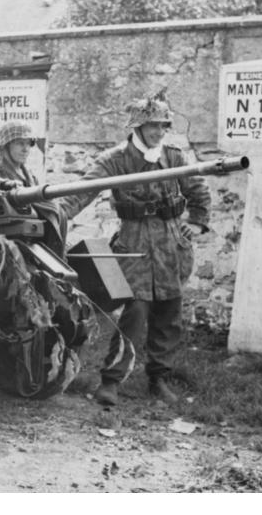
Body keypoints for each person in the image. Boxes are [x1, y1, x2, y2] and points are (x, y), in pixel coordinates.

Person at [58, 90, 211, 406]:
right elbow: (80, 193)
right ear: (137, 127)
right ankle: (111, 381)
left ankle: (158, 379)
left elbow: (198, 190)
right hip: (134, 247)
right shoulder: (115, 159)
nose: (158, 132)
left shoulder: (174, 157)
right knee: (135, 313)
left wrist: (195, 222)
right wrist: (54, 214)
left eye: (163, 125)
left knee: (169, 315)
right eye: (153, 125)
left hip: (171, 248)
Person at [0, 121, 67, 257]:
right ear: (6, 146)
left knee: (59, 210)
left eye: (28, 144)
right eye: (19, 143)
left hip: (36, 238)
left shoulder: (29, 176)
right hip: (11, 240)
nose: (25, 149)